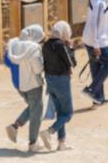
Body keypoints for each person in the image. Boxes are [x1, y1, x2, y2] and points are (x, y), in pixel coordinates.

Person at [4, 23, 46, 153]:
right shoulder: (33, 48)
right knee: (36, 113)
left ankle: (15, 126)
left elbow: (7, 62)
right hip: (32, 84)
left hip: (18, 84)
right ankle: (33, 143)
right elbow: (38, 69)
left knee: (34, 108)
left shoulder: (13, 44)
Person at [41, 21, 78, 152]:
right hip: (61, 81)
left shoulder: (45, 45)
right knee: (68, 113)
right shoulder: (61, 45)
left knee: (60, 113)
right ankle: (49, 131)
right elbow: (72, 63)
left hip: (50, 80)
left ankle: (61, 143)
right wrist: (71, 48)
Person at [83, 0, 108, 106]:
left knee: (96, 68)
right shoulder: (99, 3)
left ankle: (98, 98)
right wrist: (96, 45)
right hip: (97, 41)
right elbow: (94, 25)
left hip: (90, 39)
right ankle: (90, 90)